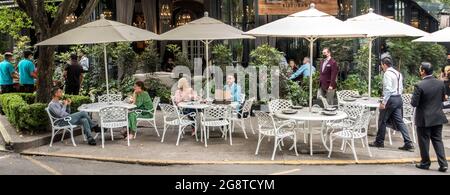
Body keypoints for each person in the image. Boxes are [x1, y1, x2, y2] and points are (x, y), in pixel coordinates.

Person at [369, 54, 414, 151]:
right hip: (398, 99)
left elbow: (388, 89)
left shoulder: (387, 74)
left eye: (381, 65)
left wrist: (384, 102)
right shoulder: (398, 73)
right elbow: (401, 88)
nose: (381, 67)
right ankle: (408, 143)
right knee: (400, 122)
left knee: (382, 121)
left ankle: (379, 142)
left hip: (391, 99)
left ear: (385, 64)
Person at [412, 62, 448, 172]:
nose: (419, 71)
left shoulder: (419, 85)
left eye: (420, 69)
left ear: (423, 71)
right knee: (437, 140)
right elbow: (443, 99)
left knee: (424, 141)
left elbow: (414, 103)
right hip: (438, 117)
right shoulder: (440, 83)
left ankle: (425, 163)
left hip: (424, 118)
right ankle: (443, 164)